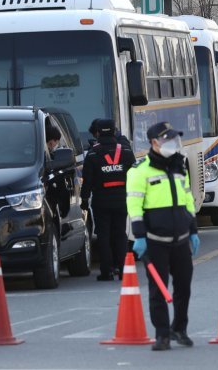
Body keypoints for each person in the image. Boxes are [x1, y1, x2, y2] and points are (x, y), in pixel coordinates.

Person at [126, 122, 200, 351]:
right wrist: (138, 237)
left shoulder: (179, 166)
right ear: (154, 143)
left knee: (183, 287)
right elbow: (134, 205)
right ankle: (162, 334)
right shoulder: (140, 170)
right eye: (167, 140)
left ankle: (180, 328)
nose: (173, 144)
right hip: (155, 240)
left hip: (181, 238)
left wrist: (194, 230)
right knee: (158, 289)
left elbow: (187, 199)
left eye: (174, 139)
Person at [81, 119, 136, 281]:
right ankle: (123, 269)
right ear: (114, 131)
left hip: (101, 201)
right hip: (121, 200)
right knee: (120, 234)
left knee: (103, 235)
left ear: (98, 133)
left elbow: (87, 181)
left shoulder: (92, 154)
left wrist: (84, 200)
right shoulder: (125, 151)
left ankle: (107, 271)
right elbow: (134, 175)